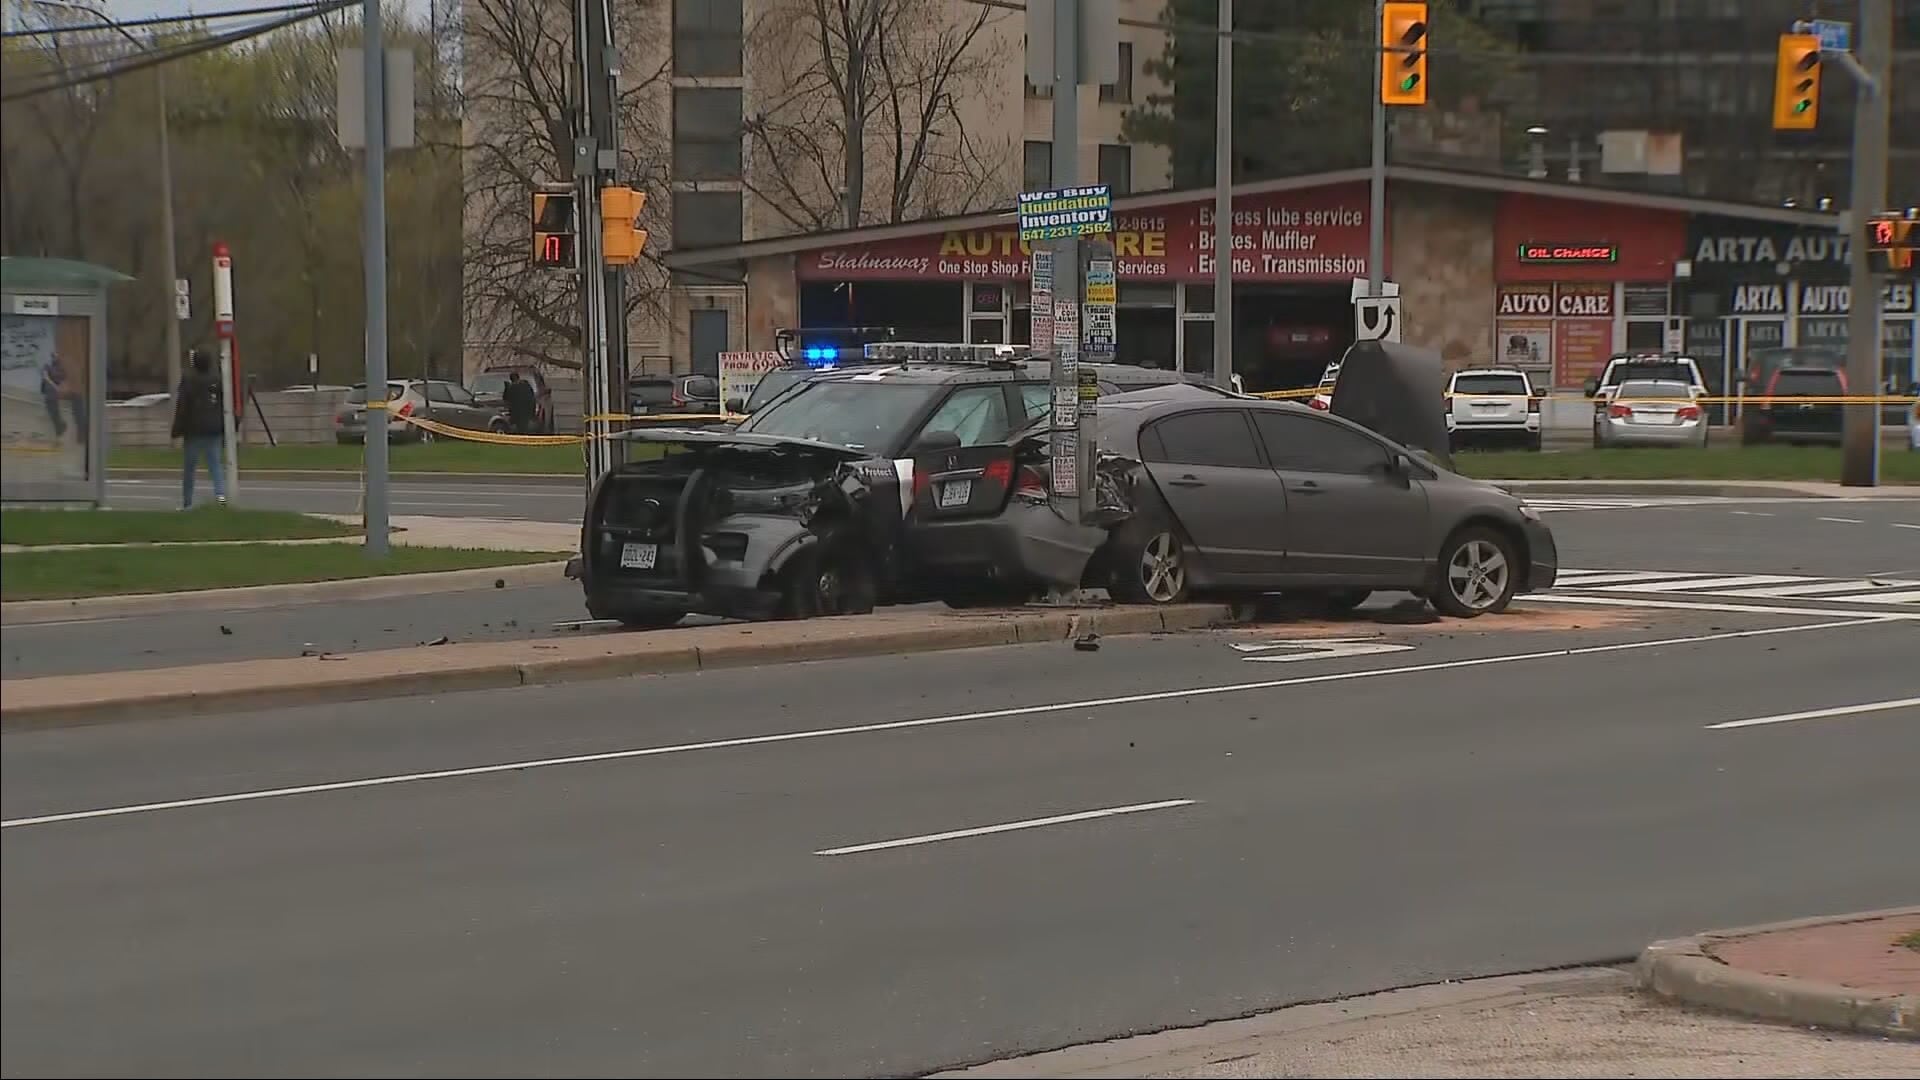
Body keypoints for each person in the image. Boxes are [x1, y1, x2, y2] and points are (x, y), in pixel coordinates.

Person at [171, 349, 227, 508]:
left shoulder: (189, 381)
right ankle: (220, 497)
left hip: (193, 429)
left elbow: (182, 406)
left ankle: (187, 503)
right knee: (215, 464)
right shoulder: (217, 380)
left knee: (190, 468)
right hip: (213, 428)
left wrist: (177, 428)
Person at [502, 370, 537, 434]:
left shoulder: (512, 388)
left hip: (517, 413)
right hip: (527, 411)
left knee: (520, 429)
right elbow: (532, 398)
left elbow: (506, 398)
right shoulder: (526, 385)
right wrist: (533, 412)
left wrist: (506, 388)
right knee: (525, 429)